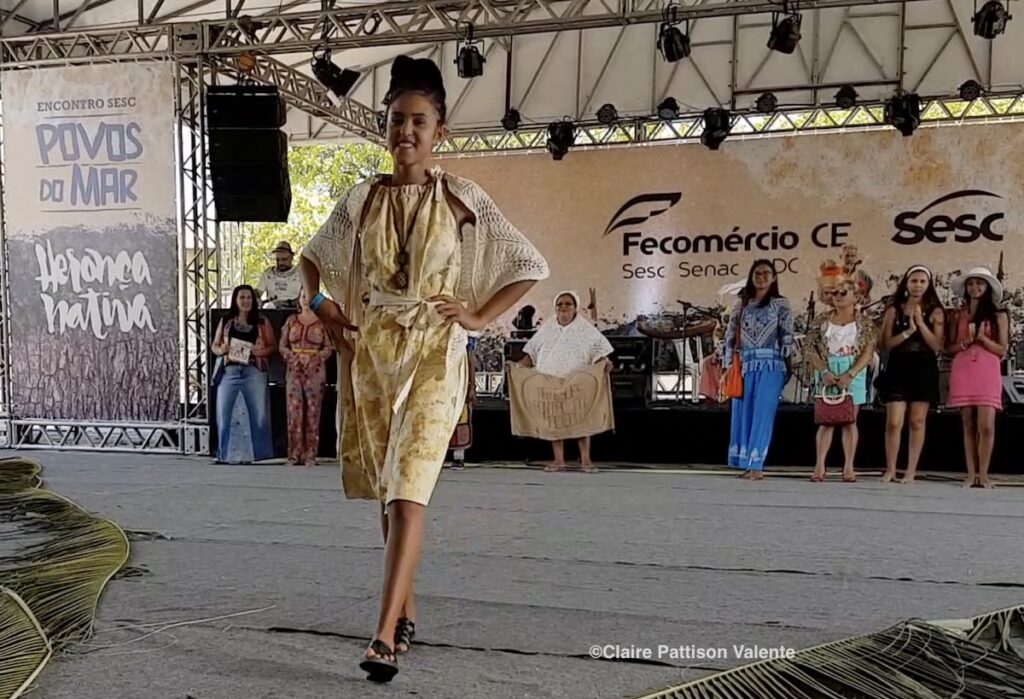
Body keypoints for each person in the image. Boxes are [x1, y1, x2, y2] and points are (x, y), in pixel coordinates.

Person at [298, 55, 549, 682]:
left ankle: (382, 636)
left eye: (419, 121)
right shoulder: (360, 198)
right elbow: (312, 258)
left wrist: (475, 314)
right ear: (385, 128)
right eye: (396, 120)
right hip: (373, 352)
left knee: (410, 485)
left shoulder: (464, 197)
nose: (405, 131)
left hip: (437, 352)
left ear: (440, 132)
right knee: (388, 489)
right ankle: (404, 609)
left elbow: (526, 262)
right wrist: (323, 305)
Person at [518, 291, 614, 473]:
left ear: (575, 307)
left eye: (568, 304)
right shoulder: (547, 328)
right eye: (560, 304)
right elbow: (531, 354)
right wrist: (516, 367)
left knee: (581, 419)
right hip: (551, 381)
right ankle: (558, 460)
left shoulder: (585, 329)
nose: (563, 307)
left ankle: (586, 460)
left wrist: (605, 363)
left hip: (578, 381)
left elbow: (600, 353)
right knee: (555, 420)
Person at [721, 260, 795, 480]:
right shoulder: (742, 304)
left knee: (763, 412)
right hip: (745, 366)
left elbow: (788, 335)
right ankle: (746, 462)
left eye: (766, 273)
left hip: (772, 365)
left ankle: (757, 464)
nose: (762, 277)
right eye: (757, 273)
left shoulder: (781, 304)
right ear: (751, 276)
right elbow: (729, 336)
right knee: (745, 414)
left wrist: (788, 362)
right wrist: (727, 365)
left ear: (773, 278)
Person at [804, 272, 877, 482]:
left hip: (852, 369)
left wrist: (851, 374)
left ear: (856, 297)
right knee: (826, 420)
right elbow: (809, 348)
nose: (837, 296)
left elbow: (868, 351)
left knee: (849, 420)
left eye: (843, 292)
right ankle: (819, 465)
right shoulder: (822, 321)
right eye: (834, 293)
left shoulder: (864, 323)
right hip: (828, 368)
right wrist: (824, 371)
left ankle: (849, 466)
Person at [877, 265, 945, 484]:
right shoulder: (893, 310)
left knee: (917, 421)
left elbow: (936, 345)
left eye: (922, 281)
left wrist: (921, 324)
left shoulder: (935, 311)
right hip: (898, 365)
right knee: (894, 421)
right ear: (906, 283)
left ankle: (911, 470)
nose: (918, 285)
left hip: (923, 367)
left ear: (928, 285)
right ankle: (890, 468)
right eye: (914, 281)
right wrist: (908, 331)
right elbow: (885, 344)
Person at [944, 267, 1009, 489]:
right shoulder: (957, 314)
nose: (975, 288)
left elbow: (1002, 349)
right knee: (968, 424)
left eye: (980, 284)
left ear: (987, 287)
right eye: (971, 284)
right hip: (964, 368)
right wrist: (965, 342)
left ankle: (984, 474)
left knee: (987, 425)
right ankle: (971, 474)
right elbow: (948, 348)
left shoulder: (999, 315)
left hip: (987, 370)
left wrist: (983, 339)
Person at [211, 285, 277, 463]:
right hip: (230, 370)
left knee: (259, 413)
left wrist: (259, 351)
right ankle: (225, 454)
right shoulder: (226, 321)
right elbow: (215, 346)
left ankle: (260, 455)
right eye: (242, 297)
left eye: (249, 298)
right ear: (235, 300)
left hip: (253, 370)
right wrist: (222, 349)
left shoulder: (262, 322)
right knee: (224, 412)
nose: (246, 301)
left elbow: (272, 346)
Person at [279, 288, 333, 466]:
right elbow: (282, 346)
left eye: (309, 297)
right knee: (294, 411)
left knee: (313, 412)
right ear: (299, 299)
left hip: (315, 370)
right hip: (294, 369)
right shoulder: (291, 321)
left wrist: (315, 358)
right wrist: (292, 357)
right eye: (303, 296)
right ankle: (294, 454)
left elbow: (329, 347)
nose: (305, 300)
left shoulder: (323, 323)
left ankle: (311, 453)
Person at [255, 241, 303, 309]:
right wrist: (256, 298)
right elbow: (258, 291)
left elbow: (307, 296)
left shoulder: (301, 273)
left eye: (284, 259)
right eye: (277, 260)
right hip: (272, 311)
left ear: (291, 257)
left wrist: (288, 303)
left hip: (295, 312)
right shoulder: (268, 273)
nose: (280, 263)